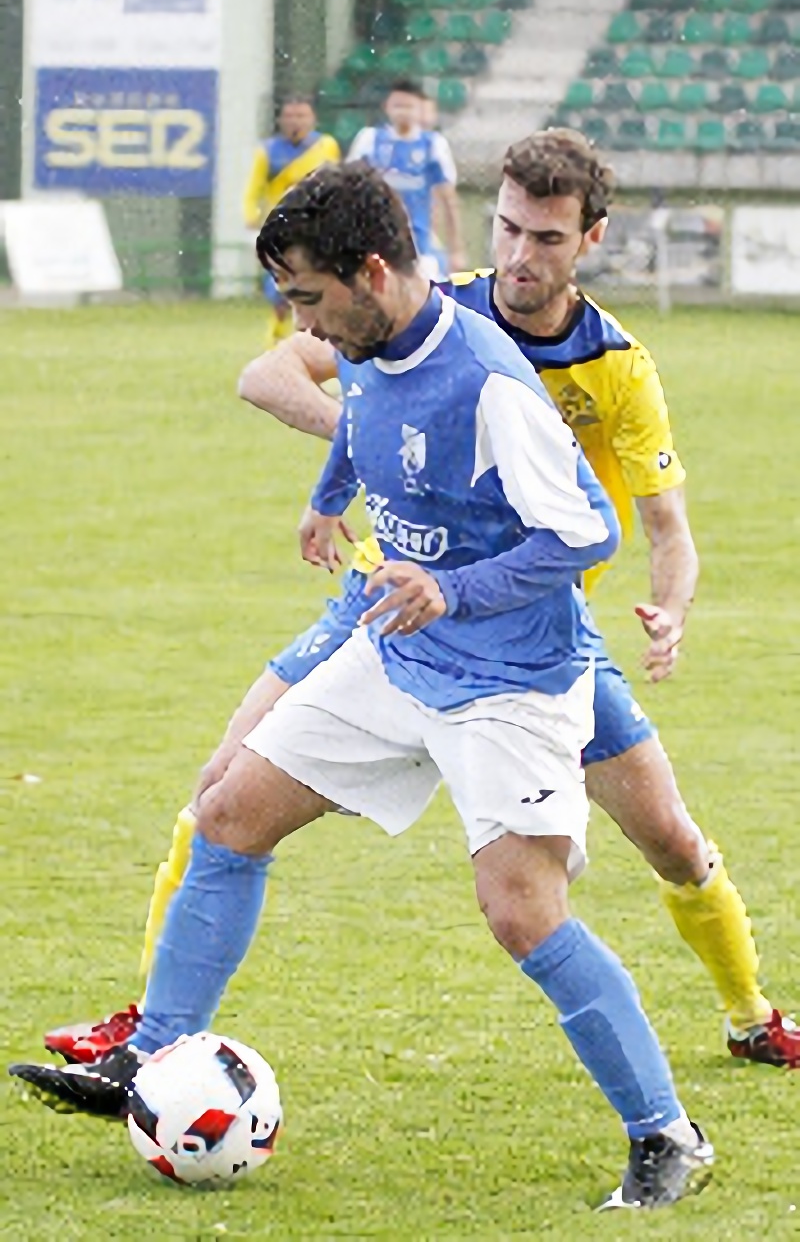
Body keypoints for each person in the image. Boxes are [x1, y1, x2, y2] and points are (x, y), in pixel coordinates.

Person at [11, 161, 712, 1212]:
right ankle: (147, 1058)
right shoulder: (375, 338)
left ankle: (666, 1134)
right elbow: (363, 418)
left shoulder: (485, 382)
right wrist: (327, 495)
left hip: (509, 683)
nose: (300, 322)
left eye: (306, 298)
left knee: (520, 913)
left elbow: (587, 531)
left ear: (370, 272)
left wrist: (452, 587)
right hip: (396, 651)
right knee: (227, 813)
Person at [243, 94, 340, 347]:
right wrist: (251, 216)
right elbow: (254, 188)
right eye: (289, 116)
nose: (295, 121)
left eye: (301, 115)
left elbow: (337, 182)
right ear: (280, 120)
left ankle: (316, 338)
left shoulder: (326, 146)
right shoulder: (268, 151)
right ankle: (275, 336)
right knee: (281, 287)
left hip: (316, 228)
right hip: (281, 230)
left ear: (313, 119)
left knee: (317, 282)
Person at [348, 78, 465, 279]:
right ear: (387, 107)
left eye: (409, 106)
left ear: (420, 110)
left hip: (419, 244)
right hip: (374, 242)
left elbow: (448, 199)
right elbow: (348, 189)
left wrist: (456, 250)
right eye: (398, 105)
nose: (403, 111)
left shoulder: (433, 145)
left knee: (426, 302)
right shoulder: (369, 140)